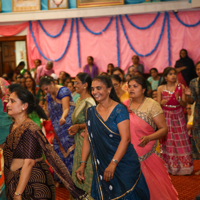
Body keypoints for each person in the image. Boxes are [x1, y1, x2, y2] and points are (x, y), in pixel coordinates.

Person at [2, 87, 93, 200]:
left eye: (12, 101)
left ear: (24, 106)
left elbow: (29, 163)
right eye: (8, 100)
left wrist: (18, 194)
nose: (8, 104)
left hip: (33, 184)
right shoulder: (14, 126)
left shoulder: (29, 129)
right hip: (17, 181)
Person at [76, 75, 150, 200]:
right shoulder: (91, 112)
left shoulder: (119, 110)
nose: (95, 92)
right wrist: (82, 163)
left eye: (99, 88)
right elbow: (87, 138)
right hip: (102, 164)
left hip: (122, 162)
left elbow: (126, 139)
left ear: (109, 89)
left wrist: (113, 164)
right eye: (93, 89)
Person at [124, 76, 178, 200]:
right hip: (128, 153)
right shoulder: (125, 104)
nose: (131, 89)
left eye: (135, 86)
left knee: (153, 187)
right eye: (130, 86)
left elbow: (164, 129)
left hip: (147, 152)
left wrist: (149, 138)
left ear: (143, 89)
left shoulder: (152, 105)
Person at [157, 67, 193, 175]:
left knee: (180, 139)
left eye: (174, 74)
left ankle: (184, 167)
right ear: (165, 77)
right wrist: (161, 103)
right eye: (170, 74)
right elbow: (157, 106)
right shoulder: (160, 89)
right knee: (168, 140)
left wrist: (178, 99)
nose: (173, 76)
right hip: (166, 116)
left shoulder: (181, 87)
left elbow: (184, 105)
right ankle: (169, 167)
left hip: (178, 116)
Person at [39, 76, 75, 184]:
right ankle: (62, 180)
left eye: (47, 88)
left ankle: (72, 180)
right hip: (57, 127)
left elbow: (66, 108)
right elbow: (47, 113)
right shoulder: (48, 96)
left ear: (52, 83)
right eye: (44, 90)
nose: (46, 91)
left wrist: (63, 117)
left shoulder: (63, 91)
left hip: (67, 125)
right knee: (57, 152)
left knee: (70, 151)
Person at [68, 73, 96, 197]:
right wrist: (75, 128)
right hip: (79, 141)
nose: (74, 85)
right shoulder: (79, 99)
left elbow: (95, 122)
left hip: (87, 141)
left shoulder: (89, 102)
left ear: (85, 85)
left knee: (87, 171)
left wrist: (78, 127)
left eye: (77, 83)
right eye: (74, 82)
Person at [185, 61, 200, 174]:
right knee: (197, 138)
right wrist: (188, 96)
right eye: (198, 69)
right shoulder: (194, 82)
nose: (199, 71)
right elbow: (192, 100)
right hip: (198, 114)